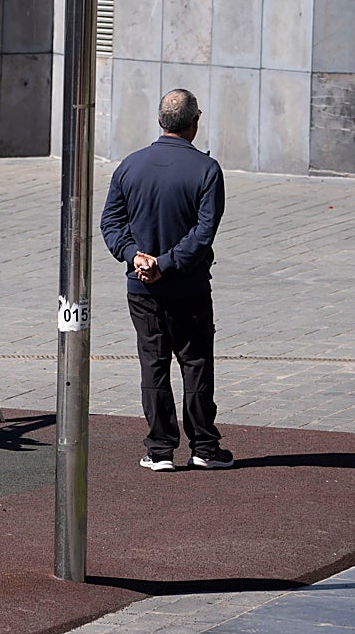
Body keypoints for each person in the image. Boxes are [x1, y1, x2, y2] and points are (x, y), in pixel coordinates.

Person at [100, 88, 233, 472]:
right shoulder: (207, 170)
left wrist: (135, 257)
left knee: (153, 364)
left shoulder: (130, 166)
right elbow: (203, 233)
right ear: (195, 123)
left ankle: (160, 450)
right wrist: (167, 262)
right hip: (188, 286)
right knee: (195, 363)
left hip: (142, 286)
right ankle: (204, 446)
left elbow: (111, 223)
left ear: (159, 121)